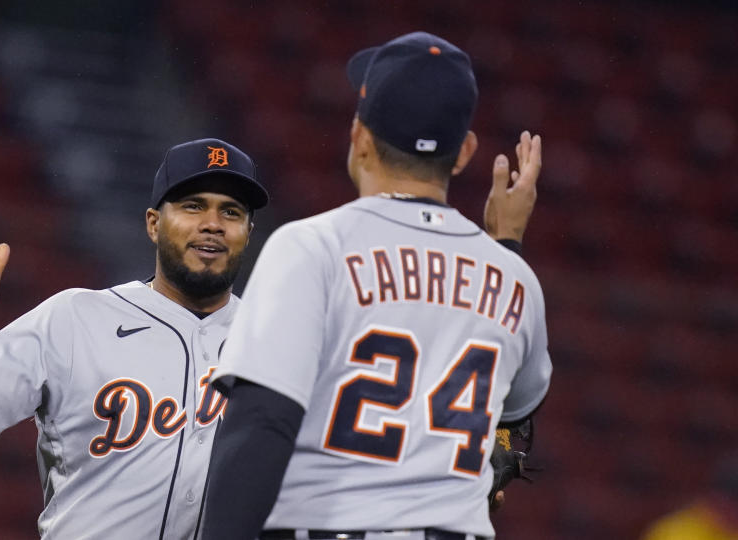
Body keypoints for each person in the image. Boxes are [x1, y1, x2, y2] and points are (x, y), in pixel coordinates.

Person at [201, 31, 552, 540]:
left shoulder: (312, 246)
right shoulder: (515, 279)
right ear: (464, 152)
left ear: (359, 136)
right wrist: (507, 247)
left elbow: (261, 427)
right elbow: (517, 408)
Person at [0, 138, 270, 539]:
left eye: (232, 212)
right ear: (154, 223)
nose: (213, 224)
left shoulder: (275, 341)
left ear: (248, 232)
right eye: (193, 206)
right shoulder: (74, 319)